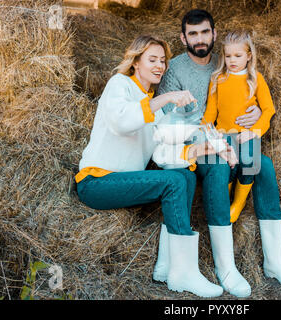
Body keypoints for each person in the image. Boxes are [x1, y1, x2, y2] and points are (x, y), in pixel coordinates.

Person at [155, 9, 281, 298]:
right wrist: (208, 140)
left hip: (236, 141)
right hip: (199, 148)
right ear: (183, 37)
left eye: (204, 32)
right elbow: (167, 120)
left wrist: (258, 113)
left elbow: (251, 97)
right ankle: (227, 267)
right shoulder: (175, 69)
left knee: (264, 166)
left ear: (214, 34)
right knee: (218, 167)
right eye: (192, 33)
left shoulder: (227, 62)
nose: (199, 39)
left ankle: (277, 262)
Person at [75, 35, 225, 298]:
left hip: (127, 182)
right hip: (96, 182)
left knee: (184, 174)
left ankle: (168, 266)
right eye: (152, 59)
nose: (160, 65)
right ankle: (186, 272)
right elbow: (123, 121)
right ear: (136, 63)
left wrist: (200, 149)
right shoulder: (119, 84)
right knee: (175, 181)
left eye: (163, 61)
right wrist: (165, 99)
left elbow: (161, 152)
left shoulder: (152, 101)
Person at [203, 30, 276, 223]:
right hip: (223, 133)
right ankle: (225, 201)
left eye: (238, 55)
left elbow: (269, 109)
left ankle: (239, 203)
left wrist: (253, 132)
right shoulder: (218, 79)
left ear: (249, 56)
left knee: (249, 161)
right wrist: (208, 133)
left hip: (248, 135)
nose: (232, 60)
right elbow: (211, 113)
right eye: (228, 56)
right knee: (229, 164)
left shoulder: (255, 79)